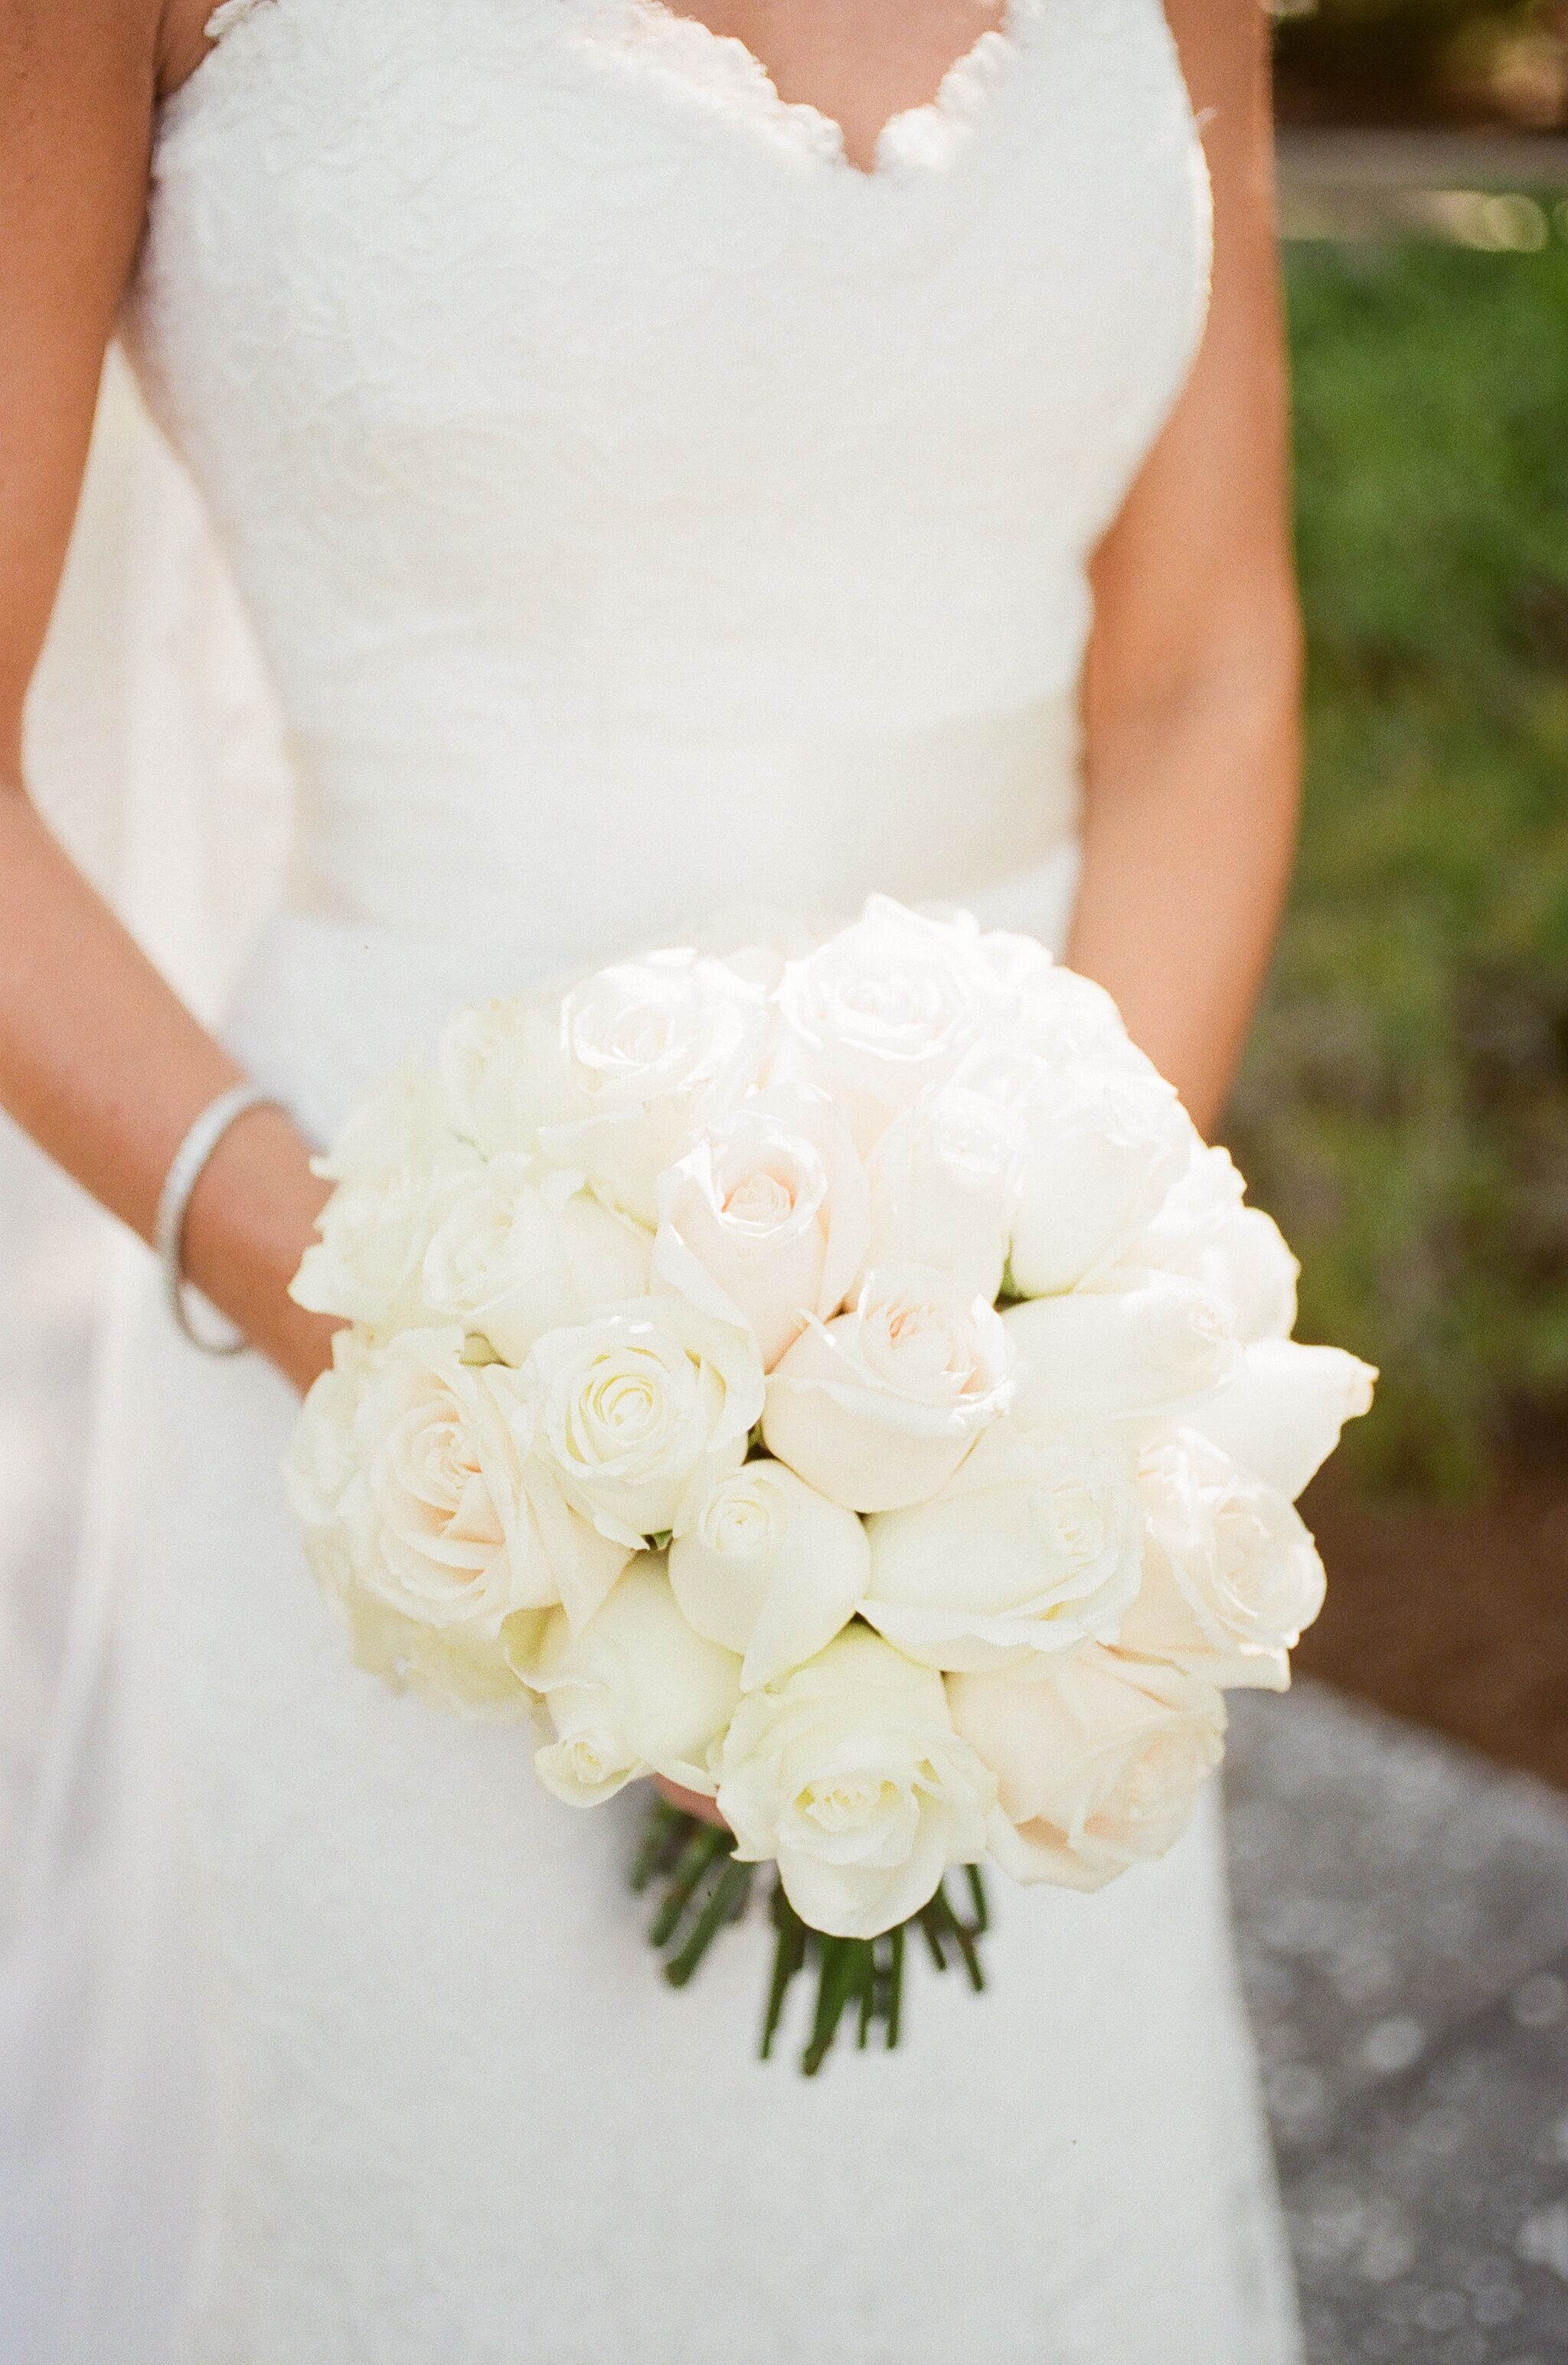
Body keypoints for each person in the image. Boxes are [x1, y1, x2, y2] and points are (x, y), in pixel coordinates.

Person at [0, 2, 1305, 2357]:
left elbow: (1205, 666)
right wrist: (422, 1360)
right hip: (393, 1360)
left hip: (1023, 1395)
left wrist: (1044, 1339)